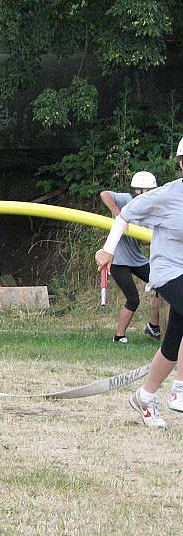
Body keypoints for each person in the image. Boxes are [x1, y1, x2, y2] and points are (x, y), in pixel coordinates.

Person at [96, 138, 183, 428]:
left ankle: (145, 396)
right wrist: (108, 250)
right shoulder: (167, 195)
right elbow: (125, 217)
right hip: (168, 272)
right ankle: (180, 389)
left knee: (173, 341)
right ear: (181, 163)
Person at [99, 171, 161, 343]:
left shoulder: (149, 212)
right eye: (146, 190)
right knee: (133, 299)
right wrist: (118, 214)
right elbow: (104, 195)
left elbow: (144, 242)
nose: (149, 194)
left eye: (151, 191)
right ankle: (119, 336)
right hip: (119, 261)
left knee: (163, 285)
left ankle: (153, 326)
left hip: (137, 259)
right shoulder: (126, 200)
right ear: (137, 191)